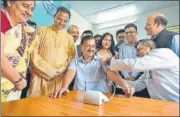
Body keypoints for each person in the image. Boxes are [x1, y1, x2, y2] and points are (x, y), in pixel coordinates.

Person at [49, 35, 134, 98]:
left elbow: (111, 73)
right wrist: (64, 87)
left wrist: (124, 85)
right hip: (78, 98)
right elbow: (70, 73)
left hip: (98, 98)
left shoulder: (101, 60)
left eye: (93, 46)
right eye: (87, 46)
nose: (91, 49)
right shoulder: (75, 61)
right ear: (82, 47)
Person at [109, 39, 179, 102]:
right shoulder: (151, 65)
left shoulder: (164, 53)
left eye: (139, 49)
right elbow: (140, 83)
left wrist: (109, 63)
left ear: (149, 48)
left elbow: (133, 64)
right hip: (160, 103)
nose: (136, 53)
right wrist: (119, 82)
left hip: (174, 101)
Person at [27, 6, 75, 97]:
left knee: (54, 107)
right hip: (39, 77)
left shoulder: (69, 38)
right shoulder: (41, 30)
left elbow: (71, 58)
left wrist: (59, 70)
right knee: (35, 106)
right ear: (54, 17)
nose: (61, 23)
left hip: (58, 80)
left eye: (65, 21)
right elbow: (33, 52)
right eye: (59, 19)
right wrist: (48, 70)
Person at [1, 0, 36, 102]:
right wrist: (18, 80)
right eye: (25, 6)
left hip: (12, 89)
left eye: (32, 9)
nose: (29, 12)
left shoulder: (22, 28)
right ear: (9, 2)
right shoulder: (1, 17)